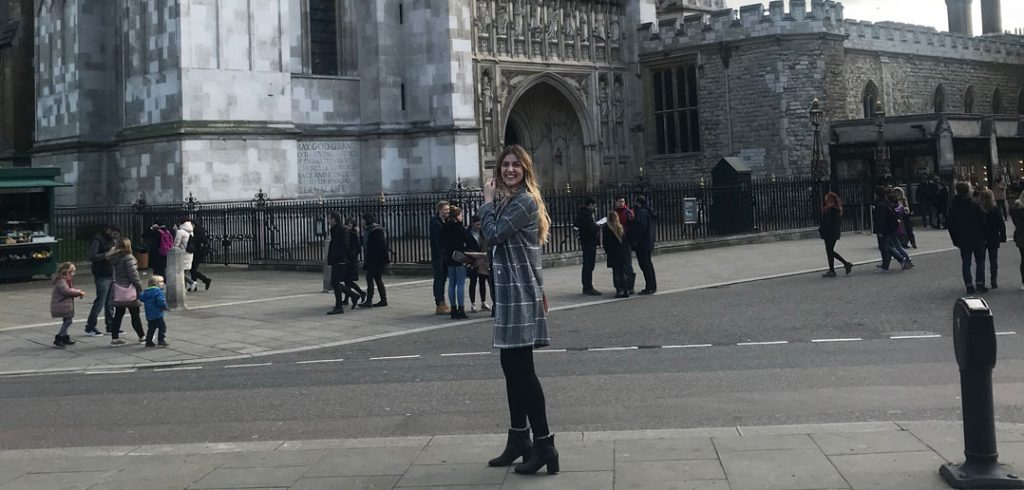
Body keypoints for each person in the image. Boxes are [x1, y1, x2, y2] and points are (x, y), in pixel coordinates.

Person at [480, 145, 558, 475]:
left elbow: (495, 234)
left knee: (523, 371)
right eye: (505, 165)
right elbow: (506, 246)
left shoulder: (525, 201)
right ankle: (518, 440)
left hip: (520, 294)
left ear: (526, 170)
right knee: (511, 368)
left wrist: (484, 202)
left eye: (516, 165)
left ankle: (545, 445)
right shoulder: (509, 202)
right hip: (511, 292)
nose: (509, 170)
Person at [947, 182, 989, 294]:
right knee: (980, 260)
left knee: (966, 262)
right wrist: (985, 236)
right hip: (977, 236)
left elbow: (950, 225)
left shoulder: (953, 207)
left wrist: (954, 239)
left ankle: (969, 285)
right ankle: (980, 283)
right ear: (967, 191)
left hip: (962, 238)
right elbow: (983, 222)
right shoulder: (975, 205)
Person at [106, 238, 145, 345]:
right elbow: (133, 276)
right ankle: (142, 336)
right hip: (129, 289)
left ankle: (114, 338)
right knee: (135, 314)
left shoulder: (115, 258)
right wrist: (139, 287)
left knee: (118, 314)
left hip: (119, 288)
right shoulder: (128, 258)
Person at [84, 225, 120, 336]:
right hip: (101, 273)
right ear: (108, 230)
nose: (114, 237)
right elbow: (92, 256)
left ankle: (110, 326)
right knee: (101, 300)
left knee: (110, 301)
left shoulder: (110, 240)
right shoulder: (97, 239)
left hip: (110, 272)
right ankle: (90, 326)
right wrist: (106, 255)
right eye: (114, 234)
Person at [326, 211, 356, 315]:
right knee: (334, 282)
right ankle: (353, 295)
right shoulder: (334, 230)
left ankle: (339, 306)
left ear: (334, 219)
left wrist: (336, 255)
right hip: (336, 259)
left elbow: (345, 246)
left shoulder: (342, 230)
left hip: (341, 260)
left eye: (329, 218)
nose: (328, 220)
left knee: (335, 282)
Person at [50, 262, 86, 349]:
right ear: (66, 272)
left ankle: (65, 337)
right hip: (62, 304)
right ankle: (59, 337)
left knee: (66, 320)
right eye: (72, 272)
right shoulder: (62, 281)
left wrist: (77, 293)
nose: (73, 274)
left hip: (64, 304)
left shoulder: (66, 281)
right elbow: (66, 291)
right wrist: (78, 292)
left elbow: (69, 290)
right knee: (68, 321)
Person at [443, 206, 469, 319]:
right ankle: (461, 309)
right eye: (461, 214)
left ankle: (453, 308)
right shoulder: (459, 227)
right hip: (459, 256)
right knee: (461, 284)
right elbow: (469, 239)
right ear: (457, 216)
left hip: (449, 256)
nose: (462, 216)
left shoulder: (445, 226)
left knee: (451, 284)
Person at [818, 192, 853, 277]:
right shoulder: (835, 210)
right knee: (830, 251)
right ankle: (835, 268)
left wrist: (822, 229)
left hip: (830, 233)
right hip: (831, 233)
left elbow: (828, 222)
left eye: (827, 200)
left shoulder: (832, 210)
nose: (825, 202)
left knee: (830, 251)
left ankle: (841, 265)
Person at [979, 189, 1006, 289]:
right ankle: (993, 280)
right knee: (993, 260)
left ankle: (981, 281)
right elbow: (1001, 224)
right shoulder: (995, 209)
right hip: (993, 236)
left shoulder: (979, 209)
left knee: (981, 260)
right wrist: (1003, 236)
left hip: (981, 237)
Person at [361, 212, 390, 308]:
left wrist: (384, 259)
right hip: (372, 258)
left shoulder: (376, 231)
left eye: (363, 219)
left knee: (370, 278)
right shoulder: (368, 230)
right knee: (377, 278)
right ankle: (383, 299)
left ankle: (370, 300)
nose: (362, 221)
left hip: (376, 259)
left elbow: (381, 246)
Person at [872, 186, 903, 273]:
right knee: (886, 246)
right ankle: (899, 259)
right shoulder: (885, 202)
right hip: (888, 227)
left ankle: (886, 265)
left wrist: (879, 230)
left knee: (883, 247)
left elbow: (880, 219)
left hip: (883, 228)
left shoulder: (880, 205)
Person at [574, 197, 601, 296]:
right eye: (594, 205)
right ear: (590, 205)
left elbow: (576, 223)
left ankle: (587, 286)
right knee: (589, 265)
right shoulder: (586, 215)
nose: (595, 207)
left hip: (586, 242)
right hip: (589, 242)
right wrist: (597, 226)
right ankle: (588, 287)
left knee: (588, 265)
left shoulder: (582, 214)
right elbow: (591, 228)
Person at [632, 196, 657, 294]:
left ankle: (649, 286)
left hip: (642, 243)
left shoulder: (642, 213)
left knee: (645, 265)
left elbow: (640, 228)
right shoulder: (649, 212)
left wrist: (635, 240)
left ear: (638, 203)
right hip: (648, 242)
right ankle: (652, 286)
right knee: (648, 264)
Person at [466, 215, 491, 313]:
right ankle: (473, 303)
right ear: (472, 223)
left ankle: (483, 301)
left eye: (480, 224)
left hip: (483, 260)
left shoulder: (483, 232)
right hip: (473, 260)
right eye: (477, 224)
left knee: (483, 281)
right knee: (473, 282)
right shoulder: (468, 233)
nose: (479, 226)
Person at [602, 210, 630, 297]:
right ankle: (625, 289)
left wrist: (606, 251)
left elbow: (605, 242)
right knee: (622, 271)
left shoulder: (607, 228)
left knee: (616, 272)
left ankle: (619, 290)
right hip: (621, 252)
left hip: (612, 252)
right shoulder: (620, 227)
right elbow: (625, 241)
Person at [430, 201, 451, 315]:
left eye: (448, 209)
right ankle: (440, 303)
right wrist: (440, 253)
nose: (447, 211)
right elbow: (435, 242)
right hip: (439, 256)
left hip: (445, 255)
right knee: (439, 279)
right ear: (439, 210)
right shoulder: (435, 223)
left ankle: (442, 302)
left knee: (443, 279)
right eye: (445, 209)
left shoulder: (445, 221)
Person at [613, 195, 636, 294]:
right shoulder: (613, 213)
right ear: (616, 202)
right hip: (616, 241)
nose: (621, 203)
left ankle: (630, 286)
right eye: (619, 201)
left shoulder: (629, 212)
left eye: (623, 201)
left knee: (628, 263)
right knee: (617, 265)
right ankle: (619, 286)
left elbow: (632, 226)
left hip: (626, 240)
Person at [139, 275, 170, 347]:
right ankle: (161, 340)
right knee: (162, 327)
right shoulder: (158, 292)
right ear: (156, 283)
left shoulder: (146, 292)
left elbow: (141, 298)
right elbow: (160, 301)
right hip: (158, 314)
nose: (163, 283)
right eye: (161, 282)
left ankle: (149, 341)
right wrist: (165, 307)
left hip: (149, 315)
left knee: (151, 328)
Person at [344, 217, 367, 309]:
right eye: (347, 223)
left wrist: (350, 255)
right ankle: (348, 298)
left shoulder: (353, 234)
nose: (348, 225)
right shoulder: (349, 233)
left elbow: (356, 247)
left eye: (350, 224)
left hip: (351, 260)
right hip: (349, 259)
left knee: (348, 280)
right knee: (347, 281)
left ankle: (361, 293)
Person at [173, 221, 197, 291]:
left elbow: (177, 243)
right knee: (183, 271)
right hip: (189, 253)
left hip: (182, 254)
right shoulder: (190, 231)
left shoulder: (180, 232)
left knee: (179, 271)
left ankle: (191, 282)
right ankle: (184, 287)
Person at [189, 221, 213, 290]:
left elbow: (200, 242)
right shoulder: (198, 231)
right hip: (197, 253)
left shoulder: (197, 232)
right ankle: (195, 285)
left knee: (193, 270)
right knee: (192, 269)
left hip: (198, 253)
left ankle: (205, 280)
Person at [1008, 193, 1024, 290]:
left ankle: (1023, 282)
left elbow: (1012, 209)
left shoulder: (1016, 210)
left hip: (1020, 236)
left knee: (1023, 259)